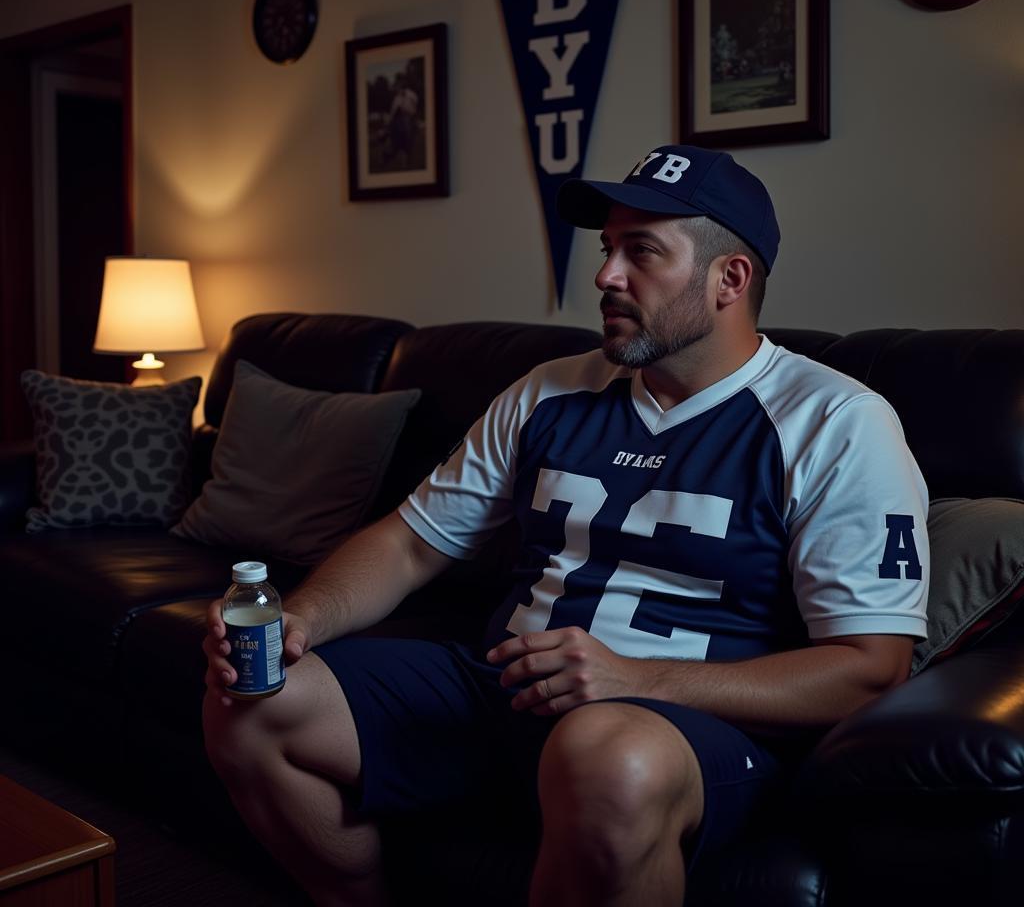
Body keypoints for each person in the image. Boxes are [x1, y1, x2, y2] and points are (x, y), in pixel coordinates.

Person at [202, 144, 929, 907]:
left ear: (729, 279)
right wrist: (299, 620)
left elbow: (871, 667)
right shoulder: (550, 389)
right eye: (609, 248)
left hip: (685, 725)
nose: (606, 276)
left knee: (604, 752)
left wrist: (637, 679)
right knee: (254, 696)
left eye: (641, 251)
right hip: (507, 686)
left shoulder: (836, 422)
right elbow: (411, 543)